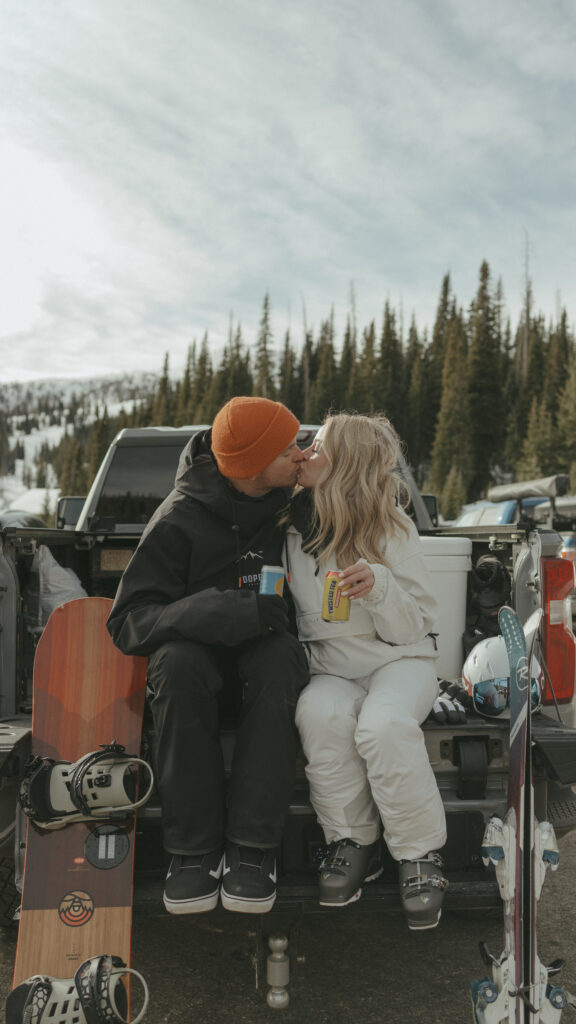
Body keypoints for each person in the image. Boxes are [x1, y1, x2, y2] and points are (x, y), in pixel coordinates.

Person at [107, 397, 310, 916]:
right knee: (176, 661)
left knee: (280, 655)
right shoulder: (178, 518)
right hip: (194, 680)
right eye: (288, 448)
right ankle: (193, 854)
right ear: (249, 464)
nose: (301, 454)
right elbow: (128, 620)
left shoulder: (296, 501)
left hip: (264, 672)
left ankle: (252, 850)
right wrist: (215, 611)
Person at [285, 412, 448, 931]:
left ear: (346, 464)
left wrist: (379, 586)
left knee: (383, 726)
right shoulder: (291, 528)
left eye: (319, 448)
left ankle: (420, 854)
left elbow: (414, 628)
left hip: (400, 662)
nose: (306, 452)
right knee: (320, 715)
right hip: (331, 667)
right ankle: (353, 843)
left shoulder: (391, 527)